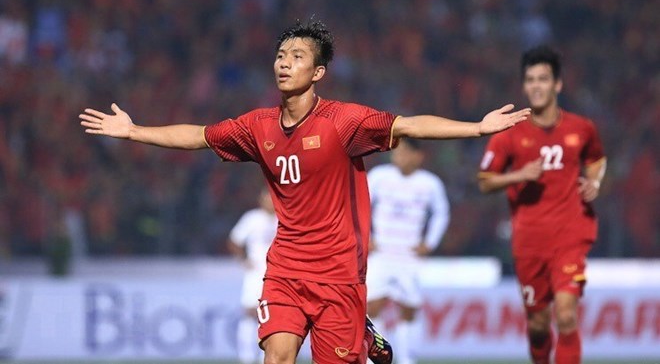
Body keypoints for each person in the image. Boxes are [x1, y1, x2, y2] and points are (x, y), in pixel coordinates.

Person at [80, 19, 530, 364]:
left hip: (338, 273)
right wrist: (135, 131)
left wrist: (477, 128)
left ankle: (363, 332)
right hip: (285, 269)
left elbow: (410, 125)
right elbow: (198, 135)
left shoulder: (344, 122)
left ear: (317, 72)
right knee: (275, 357)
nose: (283, 62)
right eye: (280, 54)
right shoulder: (256, 126)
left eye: (296, 56)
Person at [477, 45, 606, 364]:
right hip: (529, 241)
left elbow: (597, 159)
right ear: (524, 85)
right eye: (530, 79)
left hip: (569, 238)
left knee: (565, 316)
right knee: (537, 325)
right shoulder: (509, 132)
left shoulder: (581, 128)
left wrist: (595, 182)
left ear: (557, 84)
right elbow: (484, 180)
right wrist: (518, 174)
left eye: (543, 79)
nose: (536, 86)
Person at [366, 138, 450, 364]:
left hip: (409, 256)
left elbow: (441, 214)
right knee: (373, 306)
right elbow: (360, 204)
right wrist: (365, 236)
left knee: (409, 309)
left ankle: (406, 359)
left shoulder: (430, 183)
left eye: (403, 153)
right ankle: (376, 358)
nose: (398, 157)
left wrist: (429, 243)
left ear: (417, 156)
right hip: (380, 254)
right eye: (396, 153)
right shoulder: (379, 177)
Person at [228, 187, 279, 364]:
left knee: (272, 316)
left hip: (277, 275)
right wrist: (244, 260)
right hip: (256, 274)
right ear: (261, 200)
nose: (270, 202)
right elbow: (234, 241)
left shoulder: (283, 218)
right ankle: (246, 357)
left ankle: (262, 358)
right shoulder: (252, 218)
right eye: (267, 198)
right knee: (250, 313)